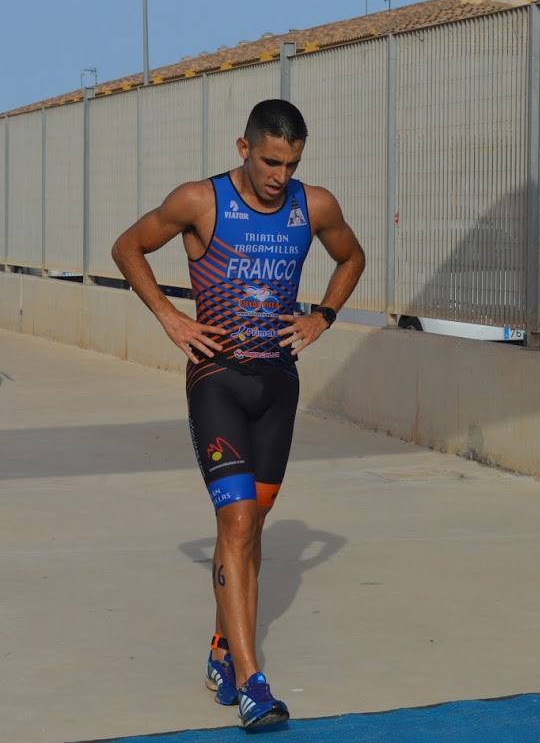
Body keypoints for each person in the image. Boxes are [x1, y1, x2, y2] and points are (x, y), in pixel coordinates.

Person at [112, 99, 365, 730]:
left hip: (278, 384)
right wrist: (171, 318)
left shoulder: (316, 205)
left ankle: (224, 645)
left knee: (250, 529)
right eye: (271, 161)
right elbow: (128, 247)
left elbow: (351, 257)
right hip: (217, 379)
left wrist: (323, 316)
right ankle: (254, 686)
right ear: (243, 147)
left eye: (292, 163)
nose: (281, 176)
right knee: (238, 518)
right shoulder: (202, 202)